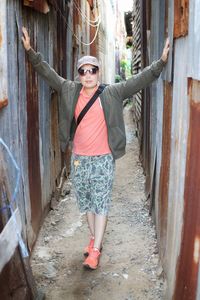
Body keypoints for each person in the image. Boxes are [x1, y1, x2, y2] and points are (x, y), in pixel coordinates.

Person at [21, 27, 170, 270]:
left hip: (103, 159)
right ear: (78, 75)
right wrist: (29, 51)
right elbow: (47, 73)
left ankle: (96, 251)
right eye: (83, 71)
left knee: (101, 203)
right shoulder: (69, 89)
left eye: (92, 70)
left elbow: (139, 80)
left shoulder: (112, 92)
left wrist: (160, 63)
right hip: (79, 159)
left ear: (98, 73)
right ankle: (93, 239)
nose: (88, 75)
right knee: (87, 203)